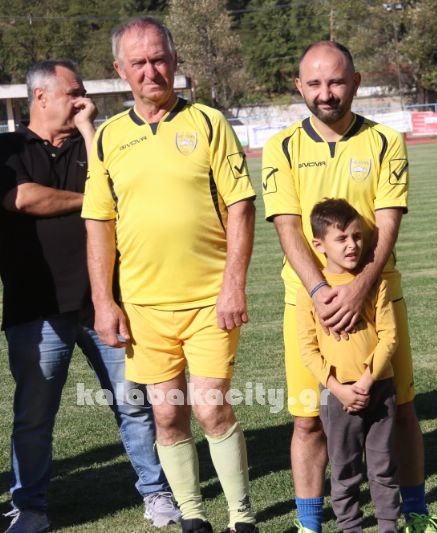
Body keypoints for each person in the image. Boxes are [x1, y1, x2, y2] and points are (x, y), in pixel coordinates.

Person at [81, 17, 257, 533]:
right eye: (138, 62)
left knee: (210, 408)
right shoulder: (109, 137)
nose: (150, 70)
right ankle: (193, 516)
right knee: (166, 415)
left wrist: (234, 284)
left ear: (175, 61)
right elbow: (99, 223)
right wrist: (104, 301)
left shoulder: (208, 123)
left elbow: (241, 207)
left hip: (209, 301)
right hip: (144, 308)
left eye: (159, 59)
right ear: (120, 70)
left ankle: (242, 516)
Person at [262, 41, 437, 533]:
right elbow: (287, 227)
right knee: (308, 418)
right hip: (308, 302)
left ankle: (415, 514)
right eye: (314, 83)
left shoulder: (385, 141)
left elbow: (388, 223)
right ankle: (310, 523)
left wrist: (362, 286)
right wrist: (321, 293)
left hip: (379, 296)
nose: (326, 93)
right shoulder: (281, 147)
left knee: (400, 410)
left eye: (336, 81)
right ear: (299, 86)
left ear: (356, 82)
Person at [0, 60, 180, 533]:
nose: (83, 100)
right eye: (73, 93)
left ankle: (157, 493)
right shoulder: (9, 148)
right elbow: (22, 198)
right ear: (40, 97)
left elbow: (119, 182)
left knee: (133, 403)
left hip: (106, 302)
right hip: (36, 309)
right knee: (34, 415)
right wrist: (91, 200)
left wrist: (87, 128)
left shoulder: (93, 143)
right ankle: (30, 507)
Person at [297, 198, 400, 533]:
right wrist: (338, 388)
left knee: (383, 467)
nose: (352, 245)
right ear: (319, 245)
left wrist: (367, 382)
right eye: (341, 239)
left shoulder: (375, 285)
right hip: (336, 396)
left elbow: (389, 337)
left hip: (379, 389)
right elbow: (308, 350)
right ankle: (350, 527)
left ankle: (388, 525)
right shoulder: (310, 294)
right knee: (344, 470)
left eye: (356, 237)